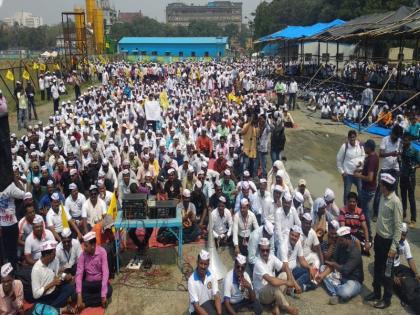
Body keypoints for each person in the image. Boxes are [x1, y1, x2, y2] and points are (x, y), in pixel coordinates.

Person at [365, 173, 403, 309]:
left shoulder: (395, 202)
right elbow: (381, 219)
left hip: (389, 243)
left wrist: (393, 248)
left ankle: (386, 300)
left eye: (381, 185)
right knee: (377, 267)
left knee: (387, 273)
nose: (379, 186)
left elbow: (399, 227)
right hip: (379, 239)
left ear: (386, 187)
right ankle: (376, 293)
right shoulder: (382, 196)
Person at [316, 226, 364, 305]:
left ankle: (337, 292)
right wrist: (322, 276)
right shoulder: (340, 246)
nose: (339, 241)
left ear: (348, 239)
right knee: (322, 269)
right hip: (341, 275)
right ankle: (336, 293)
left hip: (353, 280)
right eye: (339, 239)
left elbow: (345, 270)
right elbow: (333, 264)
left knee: (345, 292)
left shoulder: (355, 252)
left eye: (341, 240)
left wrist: (333, 264)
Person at [253, 237, 298, 315]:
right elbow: (272, 281)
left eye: (267, 250)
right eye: (263, 250)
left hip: (271, 289)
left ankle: (276, 306)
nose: (265, 253)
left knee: (284, 275)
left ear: (269, 249)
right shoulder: (258, 263)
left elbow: (285, 266)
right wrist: (288, 283)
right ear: (259, 249)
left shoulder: (271, 257)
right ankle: (286, 307)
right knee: (274, 285)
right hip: (262, 294)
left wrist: (290, 280)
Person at [31, 240, 76, 311]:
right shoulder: (36, 269)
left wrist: (65, 276)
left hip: (55, 290)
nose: (55, 255)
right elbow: (36, 295)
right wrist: (52, 284)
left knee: (70, 288)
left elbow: (57, 275)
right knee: (41, 304)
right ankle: (58, 308)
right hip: (45, 297)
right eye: (54, 253)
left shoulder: (55, 260)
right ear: (47, 255)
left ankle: (51, 309)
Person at [76, 231, 112, 311]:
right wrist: (79, 296)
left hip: (99, 283)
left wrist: (103, 295)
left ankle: (85, 303)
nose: (83, 248)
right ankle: (92, 300)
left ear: (92, 245)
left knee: (109, 291)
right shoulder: (83, 254)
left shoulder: (102, 252)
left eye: (86, 246)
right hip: (88, 283)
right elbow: (79, 274)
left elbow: (105, 273)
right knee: (76, 292)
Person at [373, 125, 403, 221]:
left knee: (394, 191)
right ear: (392, 133)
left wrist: (399, 156)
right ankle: (375, 213)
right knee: (379, 191)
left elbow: (400, 153)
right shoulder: (385, 139)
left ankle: (394, 213)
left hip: (395, 169)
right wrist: (391, 153)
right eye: (395, 136)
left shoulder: (400, 141)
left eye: (398, 137)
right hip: (385, 169)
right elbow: (380, 154)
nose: (396, 138)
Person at [353, 139, 379, 237]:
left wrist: (358, 176)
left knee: (365, 212)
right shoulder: (373, 156)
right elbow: (367, 170)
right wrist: (360, 169)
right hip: (368, 188)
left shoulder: (372, 160)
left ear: (369, 148)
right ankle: (362, 228)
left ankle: (369, 233)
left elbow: (370, 177)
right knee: (361, 208)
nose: (363, 148)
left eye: (365, 146)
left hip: (368, 189)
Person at [187, 249, 222, 315]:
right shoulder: (191, 281)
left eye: (205, 264)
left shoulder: (212, 274)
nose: (203, 266)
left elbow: (217, 296)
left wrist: (219, 313)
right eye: (201, 263)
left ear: (208, 264)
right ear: (197, 262)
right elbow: (196, 306)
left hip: (208, 303)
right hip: (195, 311)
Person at [0, 180, 25, 268]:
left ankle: (13, 272)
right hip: (4, 226)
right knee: (6, 252)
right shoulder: (11, 185)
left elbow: (23, 195)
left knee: (10, 252)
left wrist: (16, 181)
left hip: (11, 225)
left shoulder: (11, 186)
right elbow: (23, 194)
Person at [336, 130, 365, 204]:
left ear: (356, 137)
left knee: (361, 191)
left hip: (358, 173)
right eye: (351, 137)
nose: (352, 139)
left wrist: (361, 162)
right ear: (348, 138)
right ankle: (346, 209)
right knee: (346, 192)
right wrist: (342, 172)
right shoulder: (344, 146)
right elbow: (338, 160)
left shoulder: (360, 145)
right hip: (348, 174)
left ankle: (359, 208)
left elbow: (363, 155)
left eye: (353, 137)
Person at [399, 133, 419, 228]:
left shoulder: (415, 151)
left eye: (405, 140)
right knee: (403, 195)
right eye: (403, 140)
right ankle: (403, 213)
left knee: (411, 198)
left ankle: (413, 219)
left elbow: (419, 163)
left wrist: (414, 166)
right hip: (403, 175)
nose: (403, 142)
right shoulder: (402, 148)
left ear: (410, 141)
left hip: (411, 177)